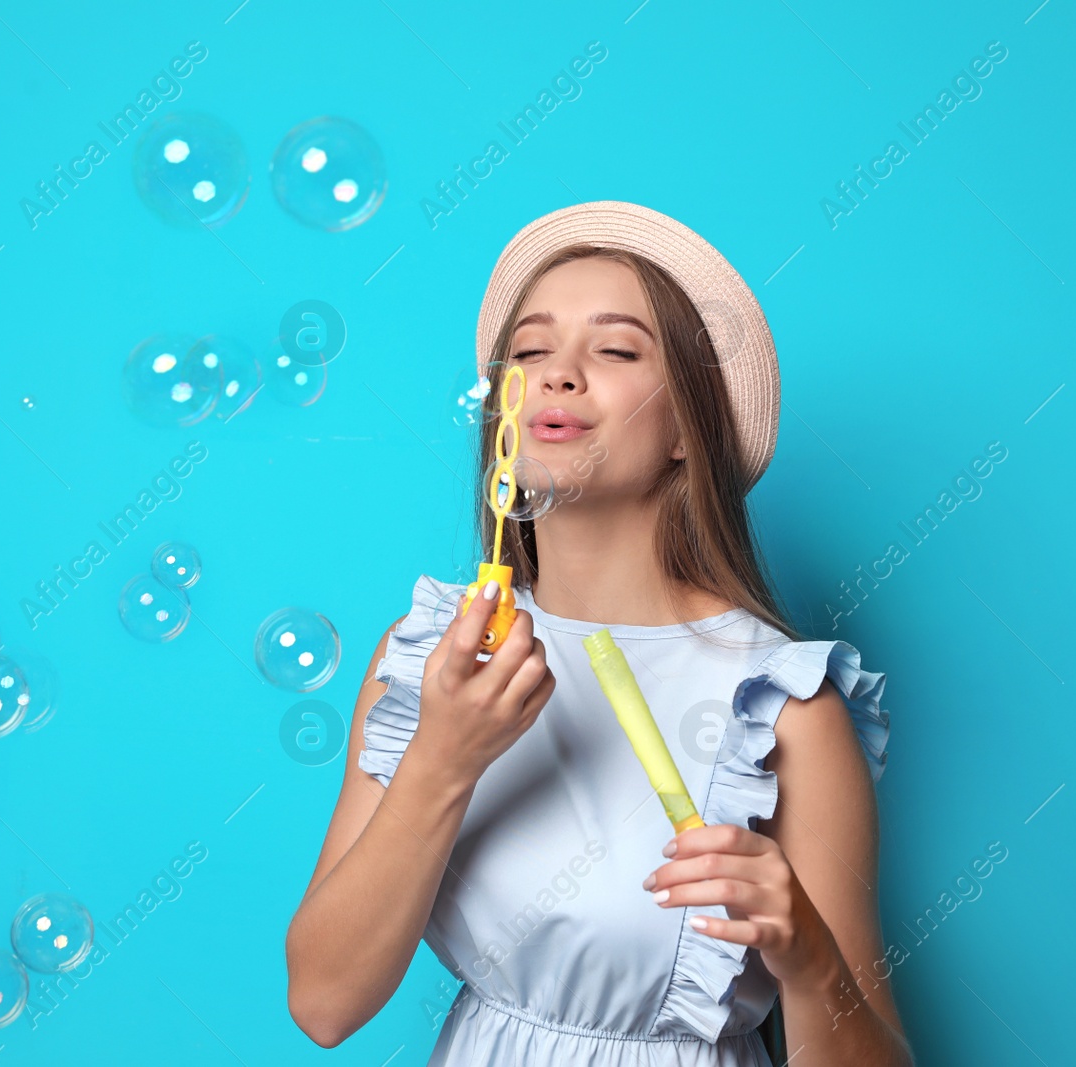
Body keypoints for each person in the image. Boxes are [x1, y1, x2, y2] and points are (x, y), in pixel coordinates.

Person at [286, 201, 913, 1066]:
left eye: (616, 349)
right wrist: (445, 754)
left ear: (693, 429)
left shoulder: (782, 706)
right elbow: (324, 1002)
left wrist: (808, 961)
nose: (558, 374)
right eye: (532, 350)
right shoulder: (444, 657)